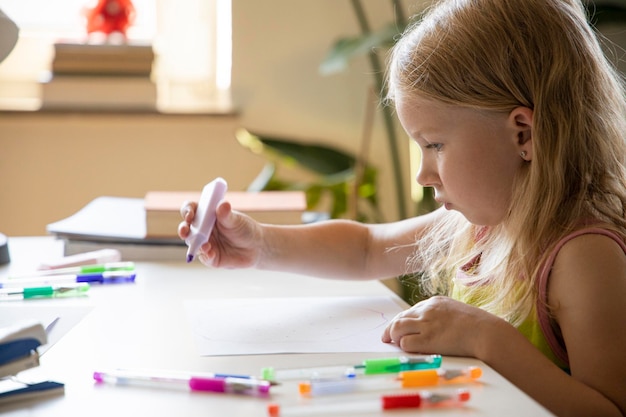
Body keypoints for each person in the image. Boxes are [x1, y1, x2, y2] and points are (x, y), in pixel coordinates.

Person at [178, 0, 626, 415]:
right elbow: (366, 248)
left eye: (435, 145)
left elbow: (607, 410)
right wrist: (259, 244)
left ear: (522, 135)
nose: (422, 175)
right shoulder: (484, 225)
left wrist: (486, 339)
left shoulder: (583, 256)